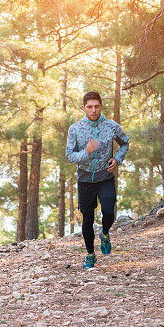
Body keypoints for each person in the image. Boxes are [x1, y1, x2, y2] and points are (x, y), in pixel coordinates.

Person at [65, 91, 130, 269]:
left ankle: (105, 233)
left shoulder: (111, 126)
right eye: (89, 107)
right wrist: (87, 151)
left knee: (109, 211)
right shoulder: (75, 129)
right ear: (83, 108)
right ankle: (90, 255)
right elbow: (70, 156)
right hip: (85, 180)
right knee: (88, 218)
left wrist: (117, 159)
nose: (93, 110)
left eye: (96, 106)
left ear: (101, 107)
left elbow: (125, 142)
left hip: (105, 176)